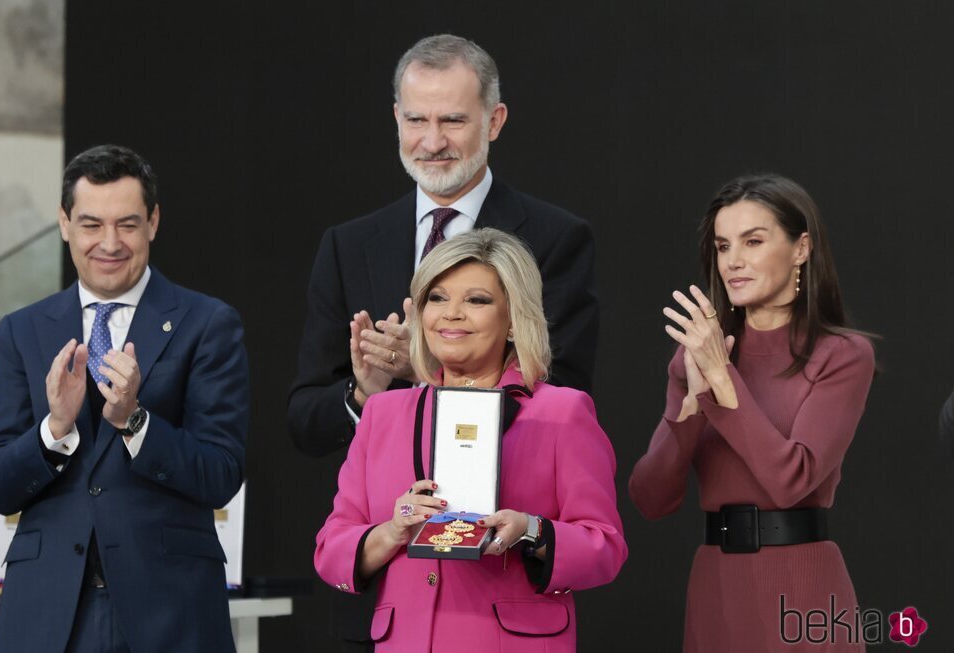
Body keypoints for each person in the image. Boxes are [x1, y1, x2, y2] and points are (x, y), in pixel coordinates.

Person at [0, 145, 248, 653]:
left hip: (169, 608)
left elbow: (220, 473)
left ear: (153, 222)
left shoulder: (208, 323)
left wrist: (135, 420)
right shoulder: (22, 331)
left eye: (127, 224)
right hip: (47, 611)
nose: (109, 243)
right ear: (63, 224)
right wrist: (54, 429)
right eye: (90, 224)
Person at [314, 228, 626, 653]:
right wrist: (392, 531)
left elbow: (604, 548)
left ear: (514, 319)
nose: (451, 314)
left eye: (476, 300)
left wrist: (531, 531)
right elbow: (331, 549)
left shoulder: (562, 413)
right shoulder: (384, 414)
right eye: (437, 298)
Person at [288, 33, 598, 458]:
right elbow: (305, 423)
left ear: (494, 120)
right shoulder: (348, 246)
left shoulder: (556, 239)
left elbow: (565, 397)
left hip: (504, 508)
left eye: (452, 121)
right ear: (397, 118)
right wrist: (364, 392)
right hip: (385, 516)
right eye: (416, 121)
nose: (432, 143)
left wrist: (432, 368)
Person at [629, 174, 875, 652]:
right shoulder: (695, 355)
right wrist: (690, 409)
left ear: (801, 249)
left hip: (802, 587)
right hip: (715, 585)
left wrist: (722, 382)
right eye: (722, 246)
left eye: (753, 241)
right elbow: (650, 499)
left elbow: (792, 480)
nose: (733, 261)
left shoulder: (842, 354)